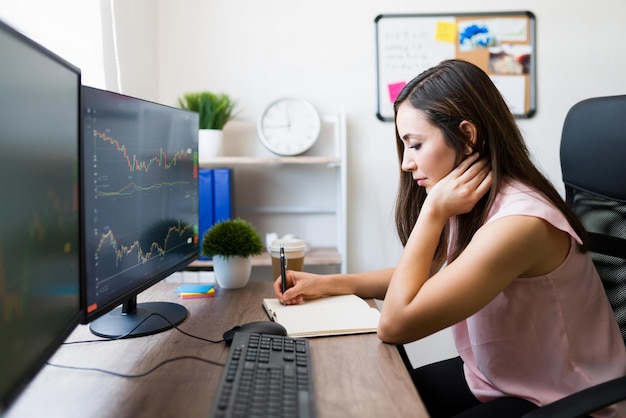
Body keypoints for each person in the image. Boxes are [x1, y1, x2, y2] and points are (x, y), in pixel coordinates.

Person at [274, 59, 626, 417]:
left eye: (415, 145)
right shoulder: (478, 200)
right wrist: (332, 284)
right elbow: (422, 278)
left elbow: (395, 325)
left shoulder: (519, 223)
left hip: (564, 400)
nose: (406, 163)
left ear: (468, 135)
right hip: (500, 379)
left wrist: (432, 213)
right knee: (363, 399)